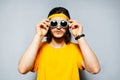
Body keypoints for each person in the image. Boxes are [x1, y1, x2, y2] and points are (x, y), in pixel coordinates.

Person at [18, 7, 100, 80]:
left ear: (68, 26)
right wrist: (38, 36)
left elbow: (95, 69)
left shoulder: (76, 49)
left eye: (63, 23)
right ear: (48, 25)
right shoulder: (38, 48)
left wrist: (79, 36)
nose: (58, 27)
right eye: (54, 23)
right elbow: (22, 69)